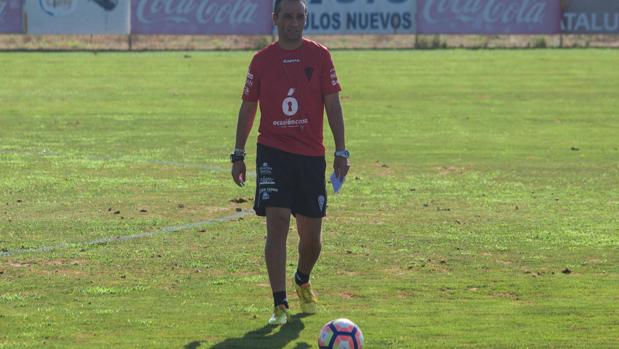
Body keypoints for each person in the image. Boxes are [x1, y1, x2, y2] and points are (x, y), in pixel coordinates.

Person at [230, 0, 350, 326]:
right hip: (273, 152)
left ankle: (302, 278)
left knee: (312, 240)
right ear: (275, 19)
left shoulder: (320, 56)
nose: (294, 22)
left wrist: (342, 151)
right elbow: (247, 108)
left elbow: (333, 105)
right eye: (288, 16)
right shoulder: (261, 61)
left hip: (311, 156)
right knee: (278, 222)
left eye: (300, 16)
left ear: (306, 18)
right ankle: (279, 303)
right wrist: (238, 154)